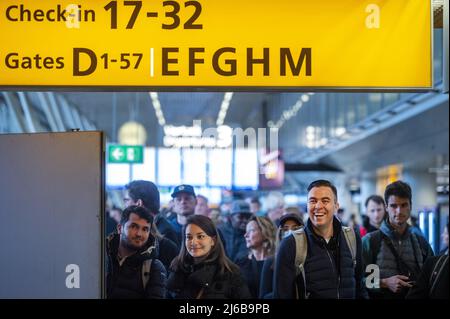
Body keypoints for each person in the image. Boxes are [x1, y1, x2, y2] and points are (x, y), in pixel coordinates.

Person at [274, 179, 368, 299]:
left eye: (325, 200)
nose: (318, 206)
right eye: (313, 201)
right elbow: (282, 294)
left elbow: (360, 287)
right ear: (307, 206)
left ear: (336, 206)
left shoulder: (352, 238)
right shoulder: (291, 244)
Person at [362, 180, 434, 299]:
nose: (399, 211)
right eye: (394, 206)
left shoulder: (421, 243)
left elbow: (432, 277)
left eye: (404, 205)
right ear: (386, 207)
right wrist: (384, 283)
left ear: (410, 206)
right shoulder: (370, 241)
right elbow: (357, 280)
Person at [166, 215, 251, 299]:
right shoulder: (177, 268)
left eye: (200, 236)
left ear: (213, 241)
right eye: (189, 237)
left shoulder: (230, 273)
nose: (194, 242)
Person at [106, 205, 167, 299]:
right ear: (119, 228)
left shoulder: (153, 268)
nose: (139, 234)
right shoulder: (102, 255)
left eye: (145, 229)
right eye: (134, 227)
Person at [123, 180, 179, 269]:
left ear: (138, 203)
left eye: (126, 200)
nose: (124, 205)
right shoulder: (163, 226)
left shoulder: (165, 233)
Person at [260, 213, 303, 299]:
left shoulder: (308, 258)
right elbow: (263, 295)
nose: (290, 232)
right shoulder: (271, 262)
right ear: (280, 233)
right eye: (285, 229)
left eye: (295, 228)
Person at [236, 216, 277, 298]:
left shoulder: (278, 262)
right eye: (245, 231)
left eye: (251, 231)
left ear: (265, 232)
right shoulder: (241, 263)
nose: (245, 235)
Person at [406, 223, 449, 299]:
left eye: (445, 233)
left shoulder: (419, 240)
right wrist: (383, 282)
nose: (442, 235)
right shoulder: (436, 260)